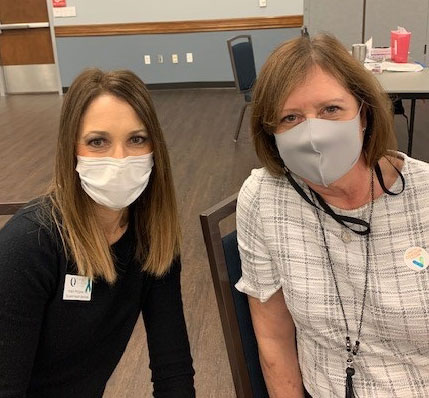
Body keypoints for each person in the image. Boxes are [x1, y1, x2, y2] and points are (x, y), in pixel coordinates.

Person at [235, 33, 429, 398]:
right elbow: (273, 338)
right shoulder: (265, 200)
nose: (314, 135)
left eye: (330, 110)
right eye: (291, 118)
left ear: (364, 114)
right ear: (271, 133)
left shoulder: (423, 198)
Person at [0, 69, 195, 397]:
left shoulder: (153, 240)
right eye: (97, 142)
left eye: (136, 139)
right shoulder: (28, 246)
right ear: (71, 149)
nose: (119, 160)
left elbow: (172, 365)